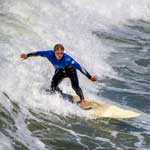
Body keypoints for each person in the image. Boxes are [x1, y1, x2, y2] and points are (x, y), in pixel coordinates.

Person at [20, 44, 96, 108]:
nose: (60, 55)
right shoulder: (49, 54)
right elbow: (38, 53)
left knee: (75, 87)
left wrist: (90, 77)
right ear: (54, 52)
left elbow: (80, 67)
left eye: (61, 53)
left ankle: (82, 100)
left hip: (70, 71)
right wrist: (27, 55)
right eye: (58, 53)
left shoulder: (68, 59)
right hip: (60, 71)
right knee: (53, 87)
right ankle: (60, 94)